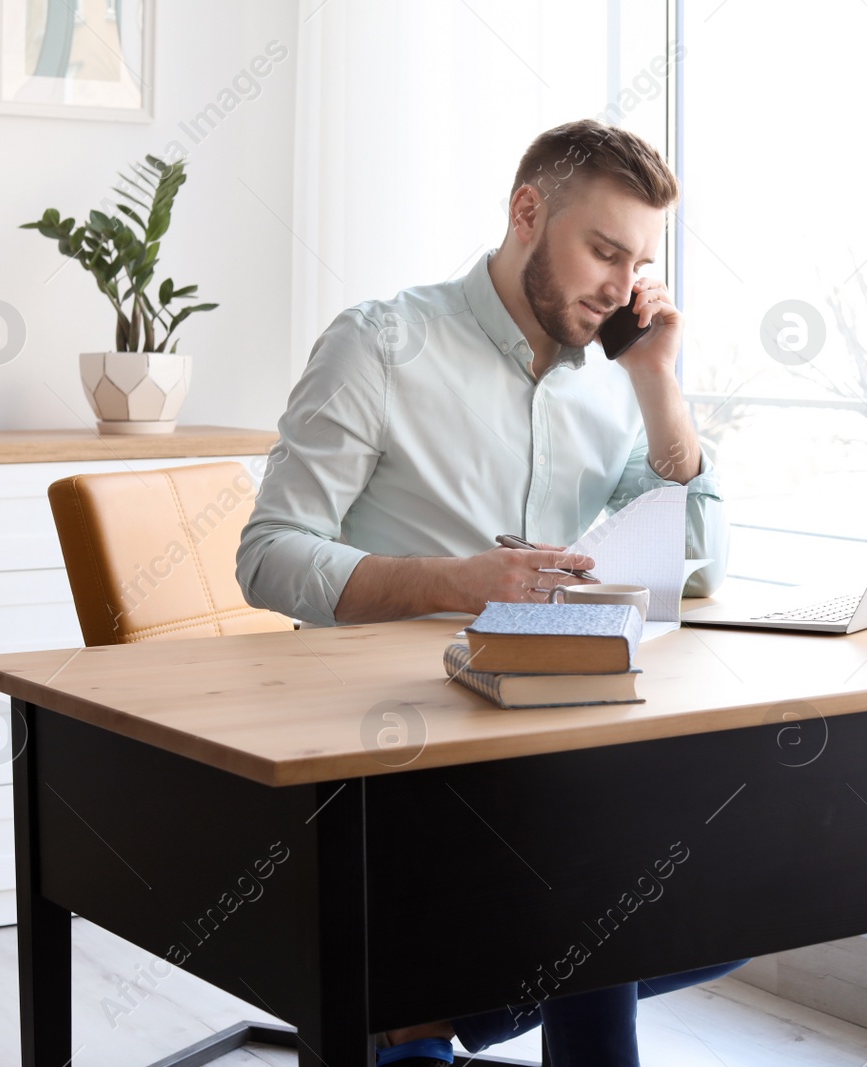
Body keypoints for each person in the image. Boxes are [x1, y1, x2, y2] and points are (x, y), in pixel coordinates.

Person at [236, 120, 745, 1064]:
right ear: (526, 214)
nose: (619, 286)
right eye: (603, 250)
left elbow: (702, 556)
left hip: (546, 743)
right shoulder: (381, 344)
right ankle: (422, 1012)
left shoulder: (609, 379)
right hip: (391, 758)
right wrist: (458, 582)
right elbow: (268, 556)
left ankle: (424, 1020)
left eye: (637, 263)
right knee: (594, 891)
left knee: (744, 894)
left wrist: (660, 382)